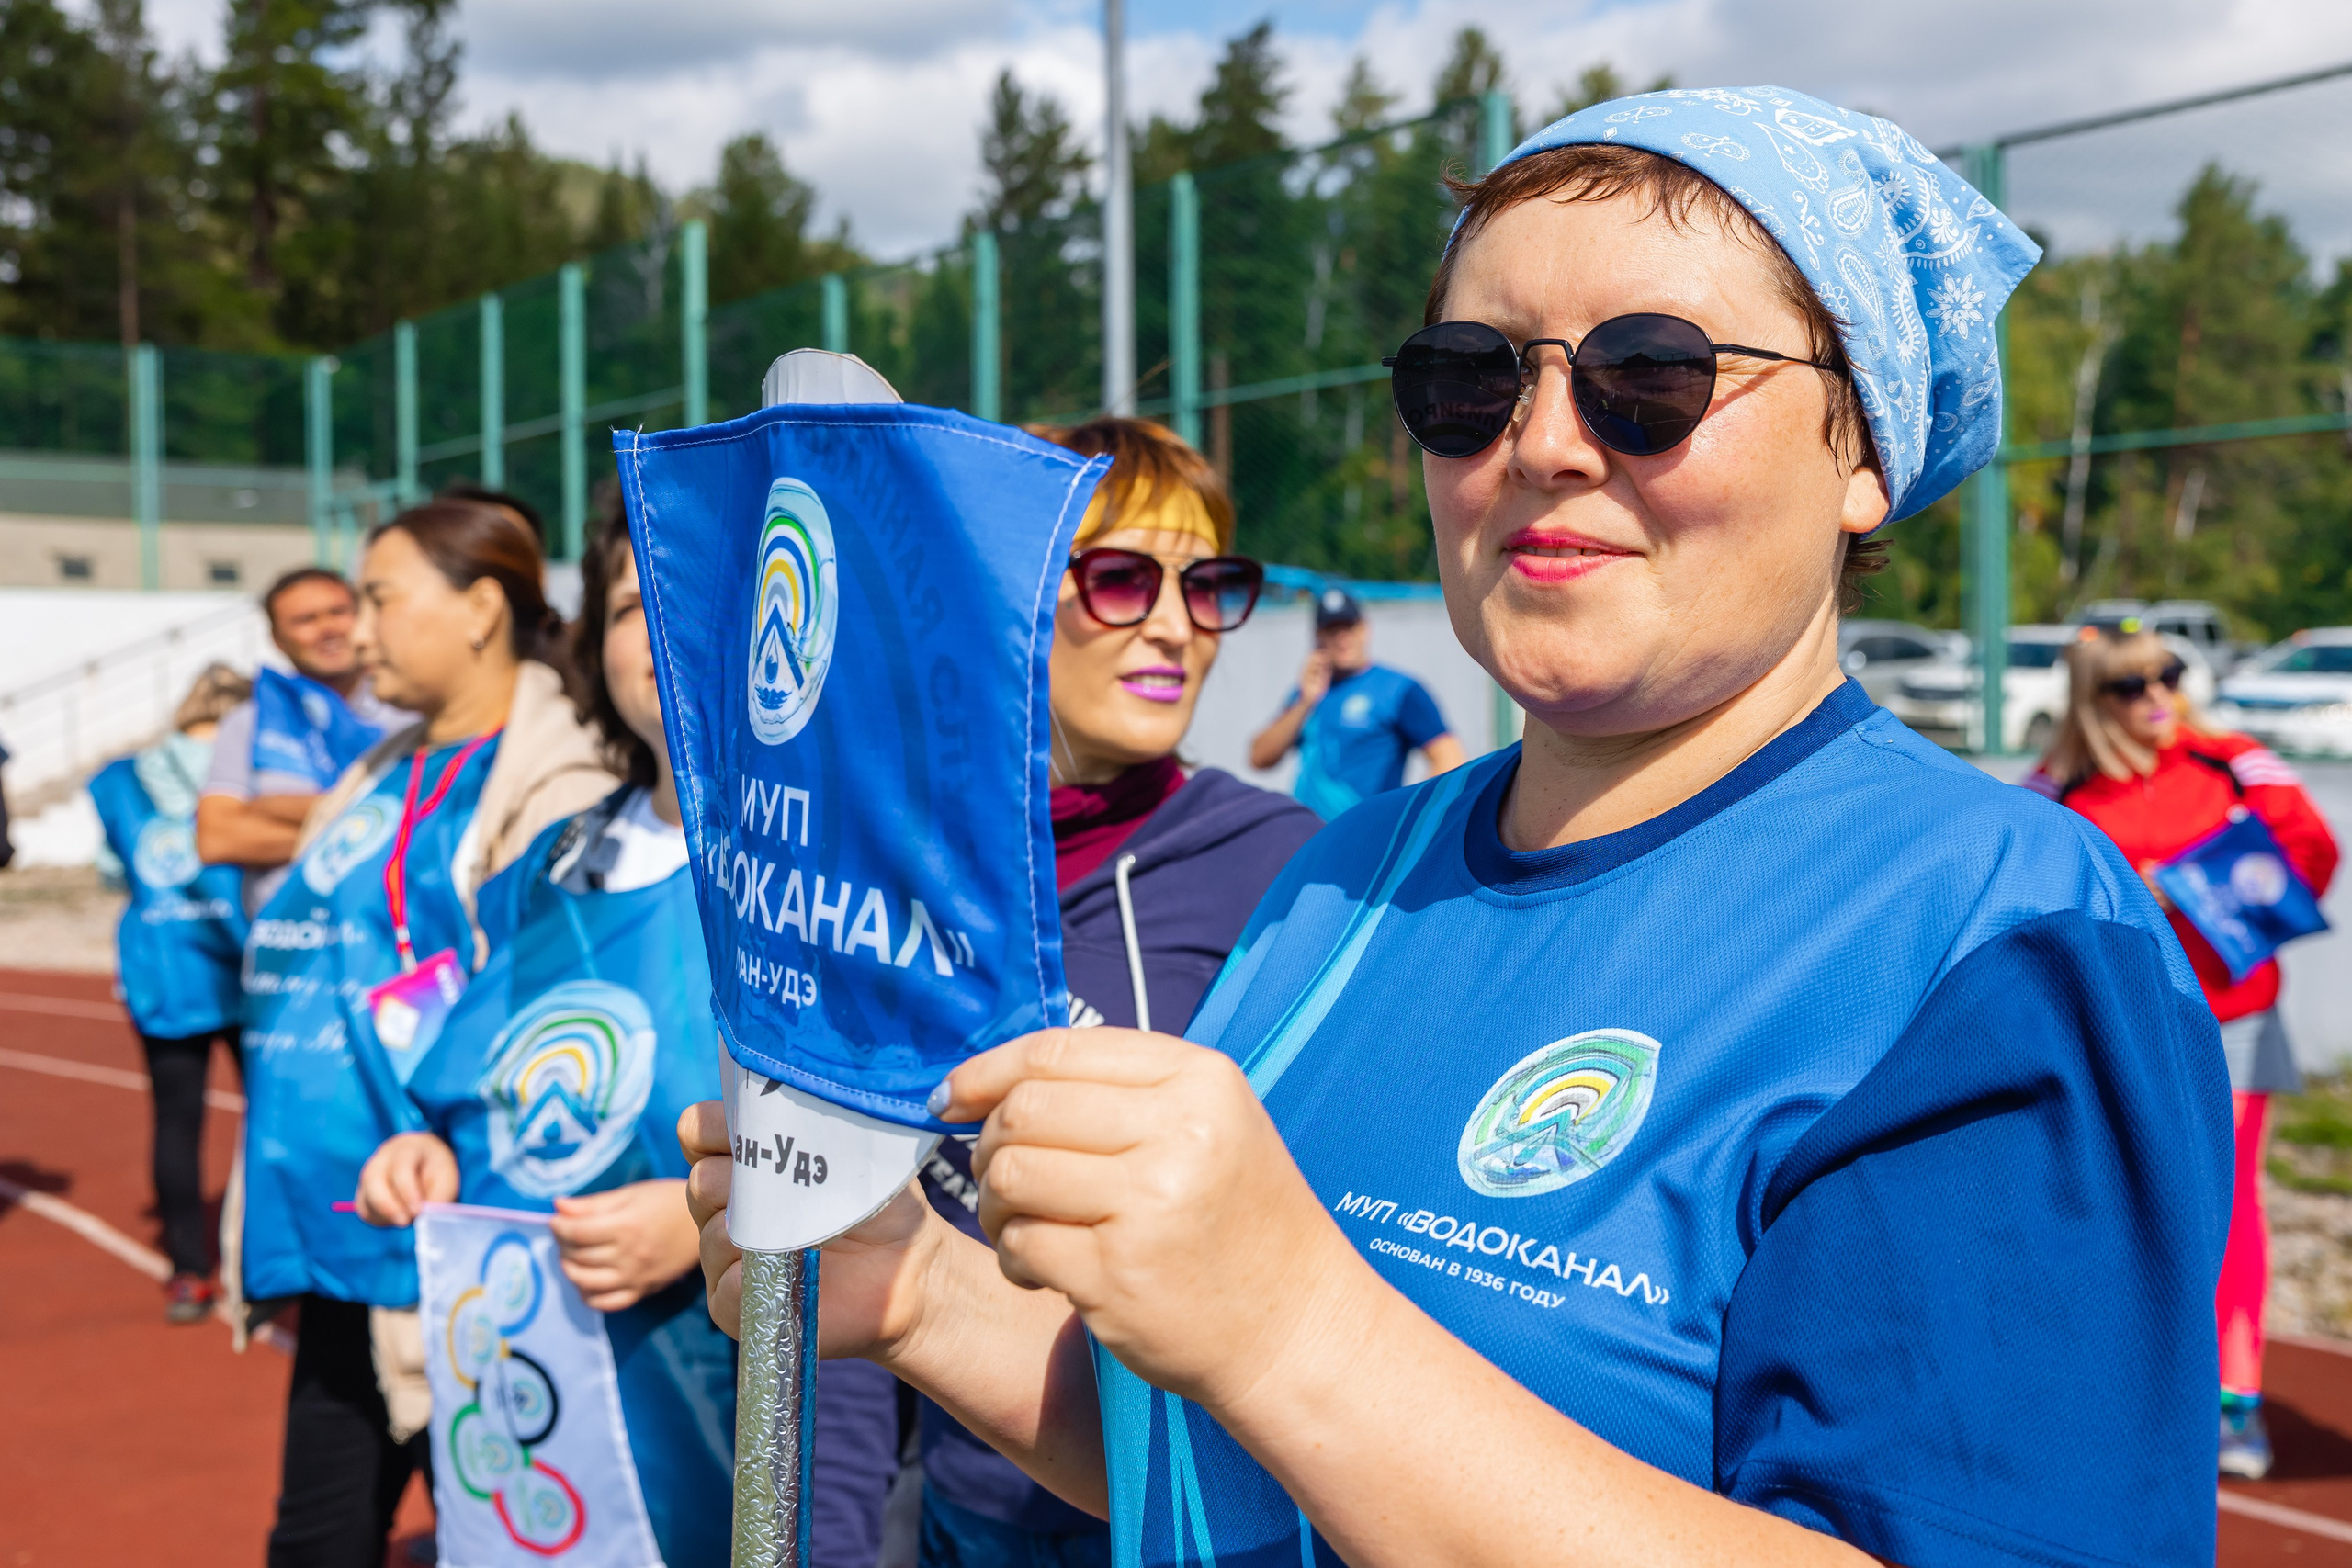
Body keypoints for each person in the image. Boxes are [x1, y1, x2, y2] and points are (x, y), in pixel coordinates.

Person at [681, 87, 2233, 1568]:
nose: (1545, 442)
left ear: (1866, 456)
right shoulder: (1347, 879)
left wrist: (1295, 1323)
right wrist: (924, 1292)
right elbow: (1232, 1466)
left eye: (1651, 376)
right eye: (1471, 379)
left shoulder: (1986, 927)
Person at [909, 416, 1320, 1568]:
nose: (1175, 626)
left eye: (1208, 586)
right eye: (1121, 577)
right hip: (965, 1496)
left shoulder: (1280, 867)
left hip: (1188, 1513)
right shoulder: (907, 867)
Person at [237, 498, 616, 1568]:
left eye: (381, 597)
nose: (355, 628)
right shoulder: (374, 769)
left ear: (481, 608)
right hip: (341, 1221)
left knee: (494, 1535)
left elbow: (547, 1008)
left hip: (476, 1243)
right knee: (315, 1536)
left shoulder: (562, 777)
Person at [354, 511, 738, 1566]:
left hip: (719, 1419)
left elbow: (906, 1150)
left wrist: (716, 1214)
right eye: (631, 605)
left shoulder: (819, 884)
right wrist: (421, 1154)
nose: (664, 630)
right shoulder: (555, 862)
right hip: (526, 1401)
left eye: (708, 597)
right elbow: (467, 1089)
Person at [2029, 628, 2339, 1480]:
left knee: (2230, 1202)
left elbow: (2312, 853)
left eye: (2169, 674)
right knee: (2116, 1198)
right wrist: (2137, 889)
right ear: (2095, 700)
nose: (2158, 694)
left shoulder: (2235, 760)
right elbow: (2024, 884)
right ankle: (2123, 1383)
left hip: (2234, 1017)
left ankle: (2234, 1404)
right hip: (2120, 1022)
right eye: (2132, 685)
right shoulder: (2059, 787)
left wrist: (2207, 882)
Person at [89, 661, 252, 1322]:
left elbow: (110, 871)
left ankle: (189, 1269)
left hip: (162, 969)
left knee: (177, 1122)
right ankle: (267, 1255)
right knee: (271, 1115)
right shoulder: (253, 768)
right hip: (250, 965)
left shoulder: (123, 780)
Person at [198, 567, 408, 914]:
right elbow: (216, 839)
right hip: (287, 946)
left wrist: (271, 808)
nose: (327, 629)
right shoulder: (248, 722)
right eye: (305, 619)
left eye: (338, 612)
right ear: (277, 639)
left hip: (389, 938)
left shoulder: (409, 713)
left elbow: (431, 822)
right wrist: (376, 822)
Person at [1249, 586, 1465, 818]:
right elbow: (1259, 758)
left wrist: (1408, 822)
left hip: (1364, 839)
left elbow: (1449, 757)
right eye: (1332, 629)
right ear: (1317, 637)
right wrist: (1304, 702)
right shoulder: (1308, 692)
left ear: (1364, 629)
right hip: (1308, 838)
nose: (1341, 637)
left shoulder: (1398, 689)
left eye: (1348, 627)